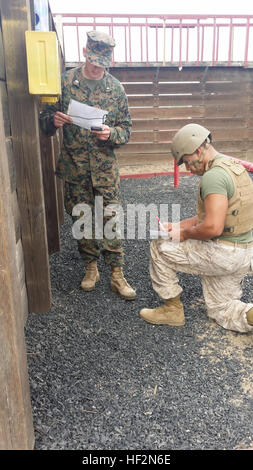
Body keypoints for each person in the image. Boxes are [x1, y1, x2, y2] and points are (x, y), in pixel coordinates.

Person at [40, 30, 136, 300]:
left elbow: (126, 129)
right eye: (94, 63)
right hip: (75, 168)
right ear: (85, 53)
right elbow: (45, 119)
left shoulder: (116, 89)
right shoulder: (64, 82)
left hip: (105, 170)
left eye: (102, 65)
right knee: (82, 220)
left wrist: (111, 134)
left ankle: (117, 274)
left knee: (110, 221)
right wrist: (52, 121)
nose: (97, 69)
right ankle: (90, 268)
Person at [140, 123, 253, 333]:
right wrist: (176, 225)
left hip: (223, 253)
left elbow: (212, 227)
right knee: (222, 310)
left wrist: (182, 234)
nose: (188, 169)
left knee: (159, 246)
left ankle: (172, 309)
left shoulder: (214, 177)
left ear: (199, 150)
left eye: (187, 161)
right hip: (243, 252)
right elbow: (213, 216)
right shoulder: (233, 167)